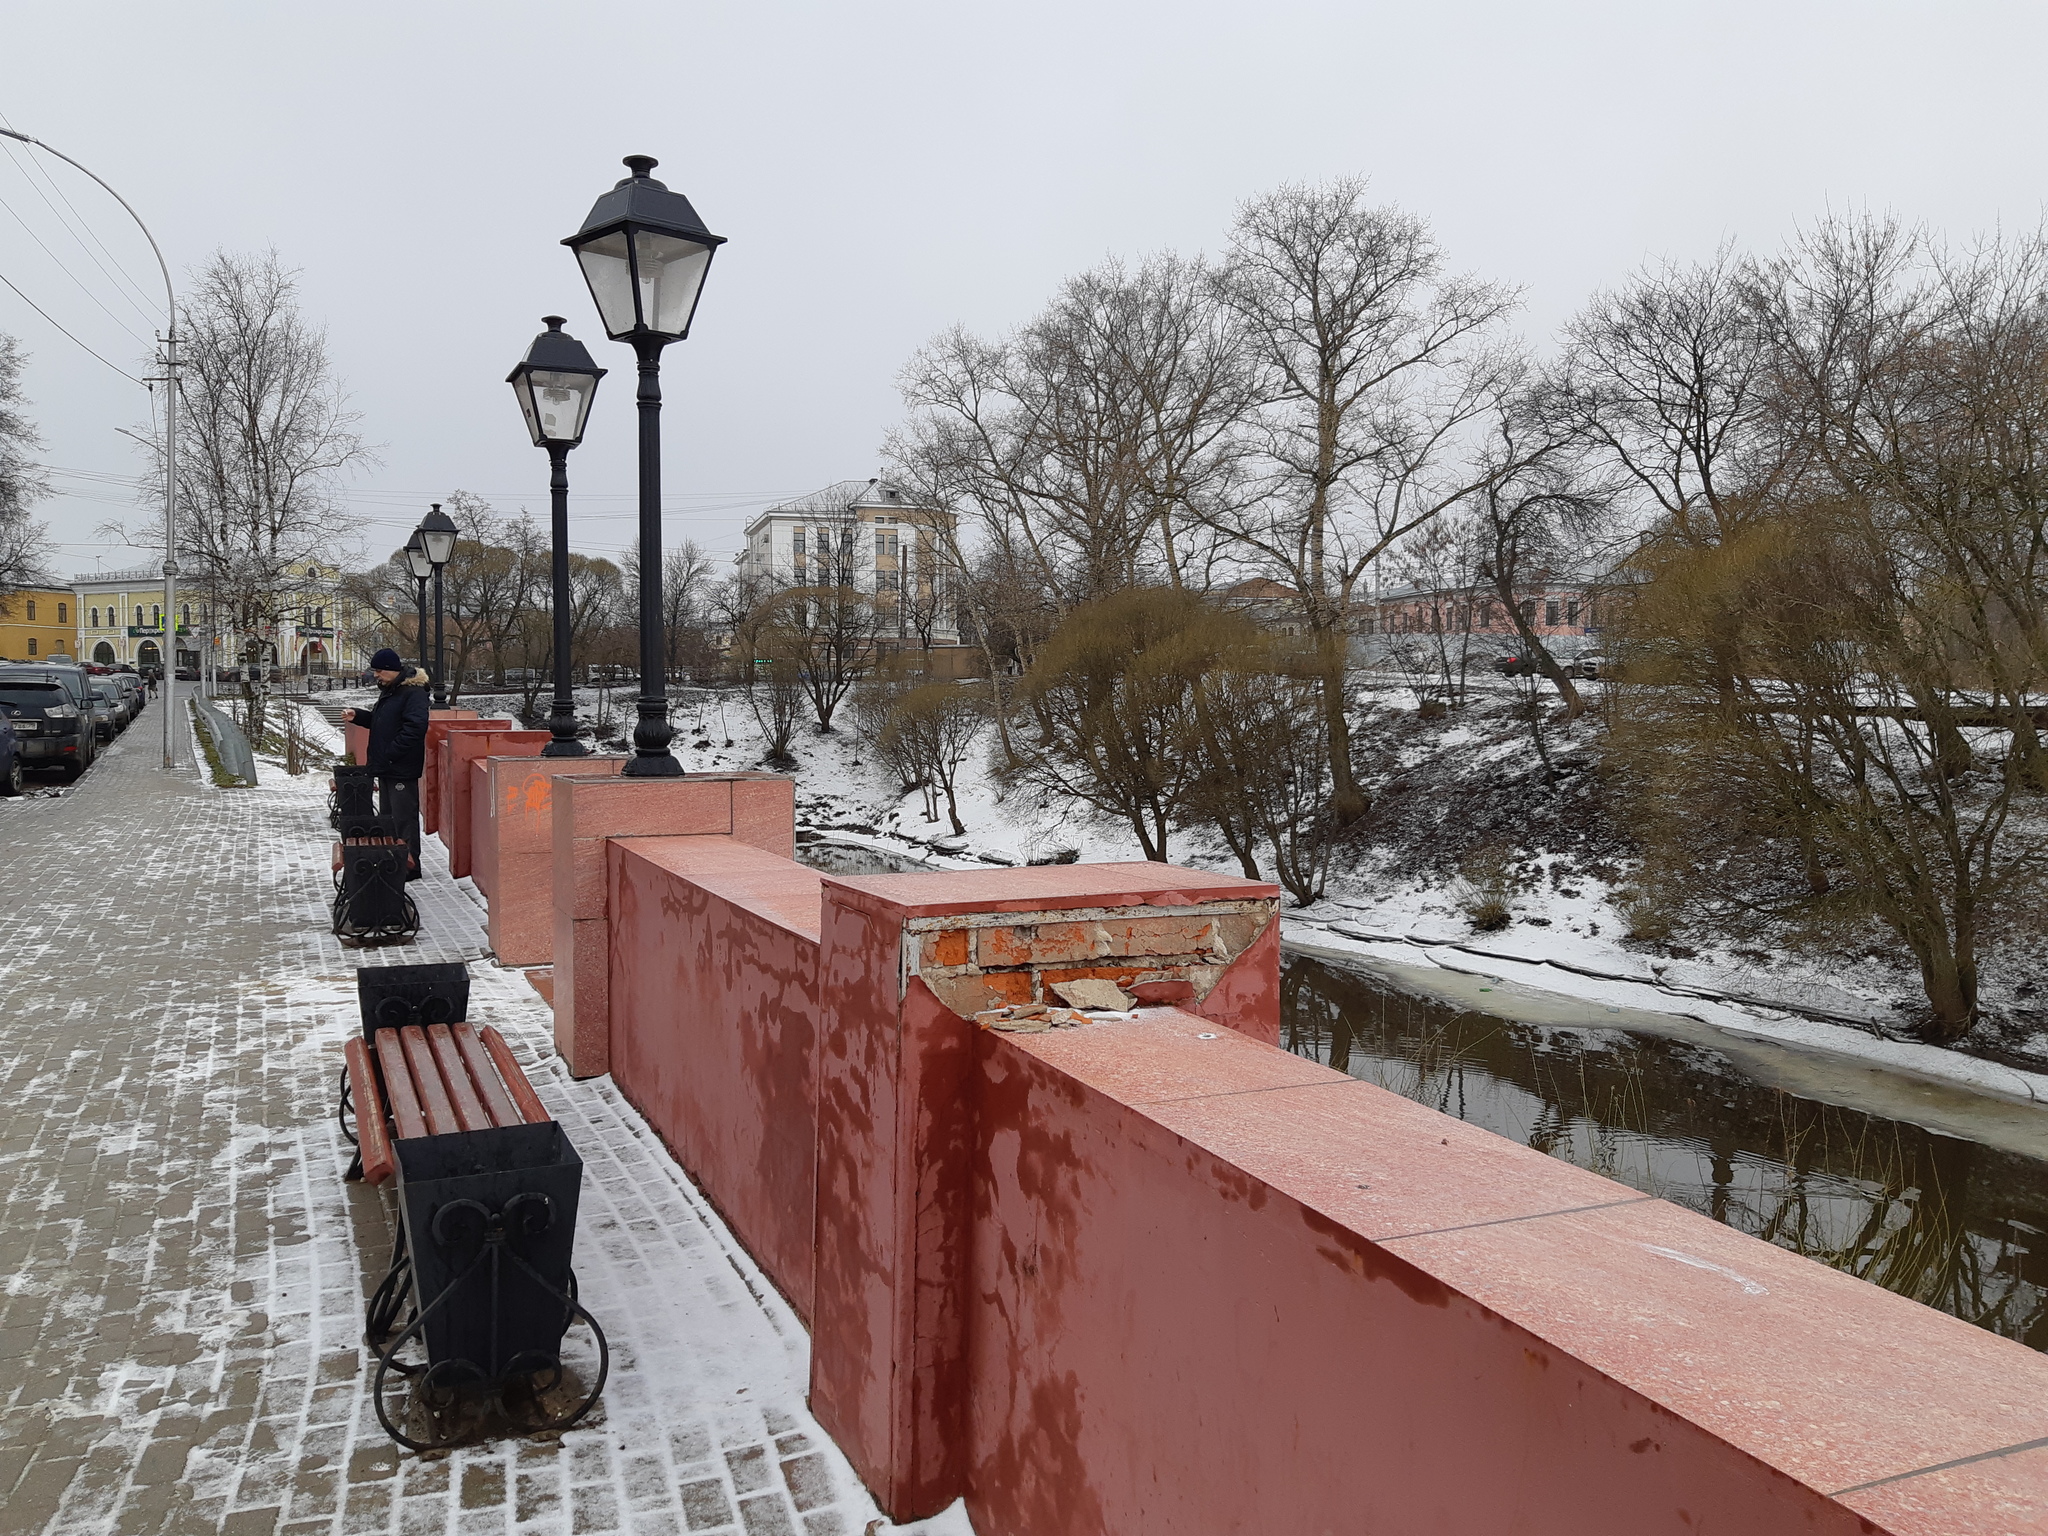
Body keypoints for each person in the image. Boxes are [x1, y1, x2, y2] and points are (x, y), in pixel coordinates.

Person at [342, 649, 431, 882]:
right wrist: (358, 716)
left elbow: (415, 728)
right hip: (387, 766)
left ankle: (410, 867)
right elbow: (382, 723)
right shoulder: (392, 691)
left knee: (404, 819)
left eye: (379, 671)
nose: (376, 675)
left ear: (393, 670)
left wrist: (391, 754)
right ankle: (394, 862)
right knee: (389, 818)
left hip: (400, 767)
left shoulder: (413, 693)